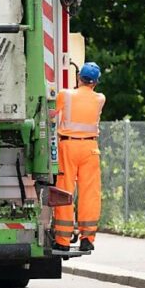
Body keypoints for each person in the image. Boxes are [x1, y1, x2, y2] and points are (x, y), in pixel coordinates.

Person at [51, 62, 105, 252]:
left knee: (64, 191)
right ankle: (87, 238)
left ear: (78, 77)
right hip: (90, 148)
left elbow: (49, 114)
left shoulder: (65, 95)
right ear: (96, 82)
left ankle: (63, 241)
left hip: (68, 146)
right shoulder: (100, 98)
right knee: (90, 193)